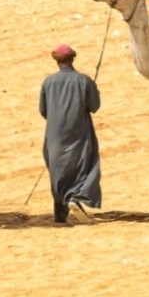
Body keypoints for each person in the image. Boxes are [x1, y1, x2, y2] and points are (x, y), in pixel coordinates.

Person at [40, 40, 106, 222]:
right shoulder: (84, 80)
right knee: (85, 164)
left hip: (54, 133)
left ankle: (60, 214)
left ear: (57, 61)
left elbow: (43, 111)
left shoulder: (48, 82)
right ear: (72, 59)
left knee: (58, 169)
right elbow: (94, 106)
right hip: (79, 130)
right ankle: (76, 197)